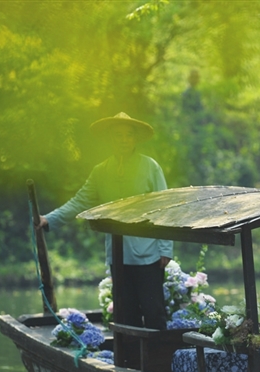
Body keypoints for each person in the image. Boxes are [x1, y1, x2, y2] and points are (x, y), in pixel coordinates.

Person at [37, 112, 173, 330]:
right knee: (125, 312)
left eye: (128, 135)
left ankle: (158, 352)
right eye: (118, 135)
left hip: (149, 254)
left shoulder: (150, 167)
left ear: (135, 139)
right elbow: (79, 202)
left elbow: (165, 207)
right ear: (110, 139)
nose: (124, 140)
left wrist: (165, 248)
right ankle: (128, 352)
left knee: (154, 311)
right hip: (118, 254)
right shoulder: (101, 171)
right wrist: (48, 219)